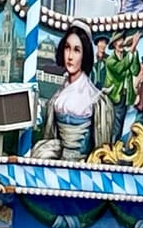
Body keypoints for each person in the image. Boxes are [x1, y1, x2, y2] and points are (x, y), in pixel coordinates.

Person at [30, 22, 117, 161]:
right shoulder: (57, 97)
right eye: (67, 48)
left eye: (76, 50)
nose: (70, 56)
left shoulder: (96, 99)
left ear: (85, 55)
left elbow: (102, 151)